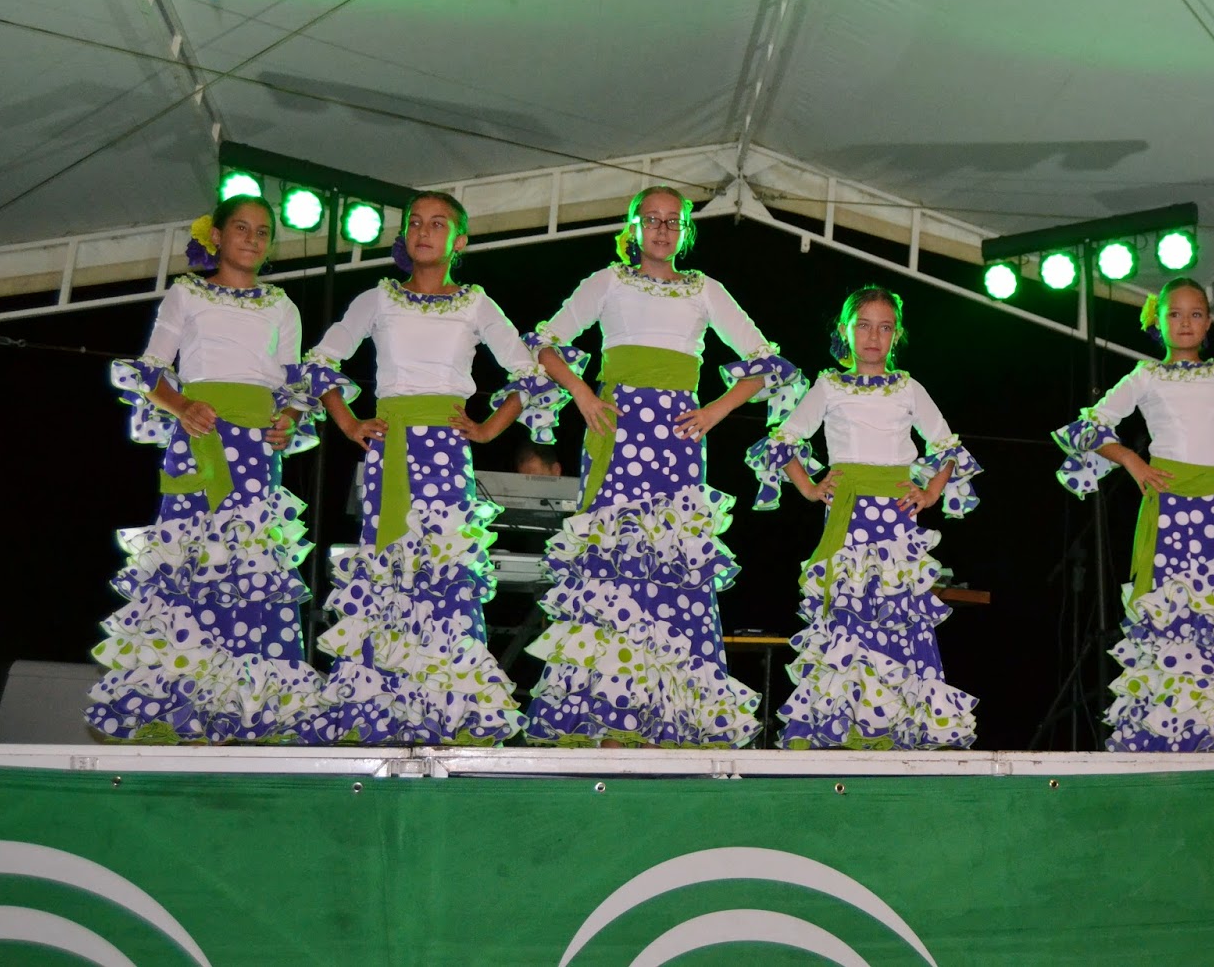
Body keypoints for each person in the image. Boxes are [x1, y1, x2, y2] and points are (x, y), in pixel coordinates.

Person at [519, 185, 806, 747]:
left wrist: (716, 410)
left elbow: (770, 363)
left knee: (672, 571)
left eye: (673, 221)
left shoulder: (705, 290)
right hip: (615, 435)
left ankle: (669, 721)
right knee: (613, 573)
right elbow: (545, 343)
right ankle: (605, 718)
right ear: (633, 226)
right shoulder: (607, 282)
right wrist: (583, 394)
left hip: (676, 444)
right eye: (651, 219)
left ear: (685, 231)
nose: (662, 228)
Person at [299, 191, 560, 744]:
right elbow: (322, 358)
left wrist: (489, 428)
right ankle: (380, 714)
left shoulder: (477, 304)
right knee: (388, 578)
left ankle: (449, 715)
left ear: (458, 241)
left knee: (444, 582)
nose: (424, 230)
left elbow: (531, 373)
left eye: (438, 223)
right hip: (389, 454)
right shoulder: (376, 298)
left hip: (445, 455)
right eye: (415, 222)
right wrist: (349, 425)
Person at [86, 195, 323, 743]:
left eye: (263, 232)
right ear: (216, 236)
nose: (253, 239)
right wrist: (184, 407)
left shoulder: (283, 305)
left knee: (252, 575)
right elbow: (149, 371)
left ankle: (253, 715)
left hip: (258, 454)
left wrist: (287, 419)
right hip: (199, 440)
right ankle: (171, 712)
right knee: (189, 569)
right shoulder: (186, 292)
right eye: (241, 228)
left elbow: (293, 384)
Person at [1053, 278, 1214, 751]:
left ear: (1208, 322)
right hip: (1170, 506)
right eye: (1174, 314)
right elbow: (1091, 426)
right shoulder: (1145, 377)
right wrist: (1131, 459)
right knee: (1171, 620)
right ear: (1157, 322)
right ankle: (1166, 736)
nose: (1184, 322)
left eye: (1194, 314)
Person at [747, 286, 980, 749]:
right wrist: (810, 487)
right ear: (845, 331)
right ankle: (846, 731)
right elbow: (783, 441)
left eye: (885, 327)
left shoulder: (909, 387)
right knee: (850, 622)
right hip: (850, 521)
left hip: (897, 523)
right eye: (865, 325)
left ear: (896, 335)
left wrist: (930, 490)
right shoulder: (829, 386)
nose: (874, 336)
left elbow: (948, 445)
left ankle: (897, 732)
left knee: (899, 619)